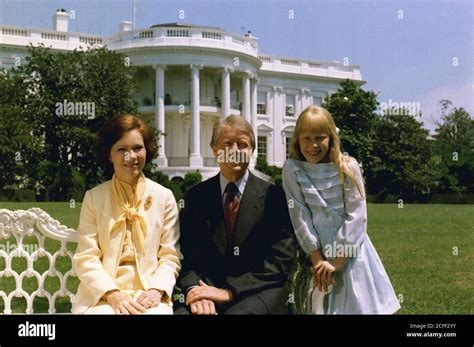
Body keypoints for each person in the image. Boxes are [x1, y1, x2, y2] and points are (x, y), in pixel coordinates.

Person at [282, 106, 400, 314]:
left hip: (351, 250)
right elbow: (299, 214)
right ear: (297, 139)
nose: (313, 145)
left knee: (359, 304)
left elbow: (357, 215)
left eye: (320, 137)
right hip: (317, 251)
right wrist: (318, 259)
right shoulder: (292, 168)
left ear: (331, 138)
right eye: (306, 138)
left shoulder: (347, 166)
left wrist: (337, 261)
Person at [175, 115, 295, 315]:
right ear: (215, 149)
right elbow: (187, 254)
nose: (235, 151)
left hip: (260, 290)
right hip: (207, 289)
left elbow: (280, 260)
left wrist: (229, 292)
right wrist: (195, 288)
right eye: (227, 144)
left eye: (242, 144)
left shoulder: (274, 197)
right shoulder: (195, 196)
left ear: (252, 151)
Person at [73, 115, 182, 314]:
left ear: (147, 150)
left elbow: (170, 256)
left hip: (149, 293)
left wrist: (157, 290)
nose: (130, 157)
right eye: (121, 149)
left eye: (137, 148)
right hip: (102, 296)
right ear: (109, 154)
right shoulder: (94, 198)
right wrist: (112, 294)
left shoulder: (164, 197)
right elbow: (86, 257)